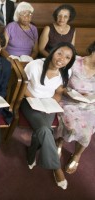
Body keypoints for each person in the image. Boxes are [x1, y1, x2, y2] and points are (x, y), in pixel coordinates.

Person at [20, 42, 76, 190]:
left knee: (42, 130)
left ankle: (31, 153)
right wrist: (34, 101)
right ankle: (56, 168)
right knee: (46, 130)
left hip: (48, 105)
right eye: (59, 53)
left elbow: (58, 93)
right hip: (30, 102)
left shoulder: (66, 72)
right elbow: (23, 85)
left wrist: (52, 104)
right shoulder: (35, 65)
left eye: (67, 57)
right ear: (52, 52)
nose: (61, 59)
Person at [55, 41, 95, 175]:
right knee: (70, 125)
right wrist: (69, 92)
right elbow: (60, 82)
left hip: (89, 105)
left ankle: (77, 155)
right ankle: (59, 142)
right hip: (69, 100)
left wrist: (89, 96)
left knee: (87, 130)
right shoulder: (75, 62)